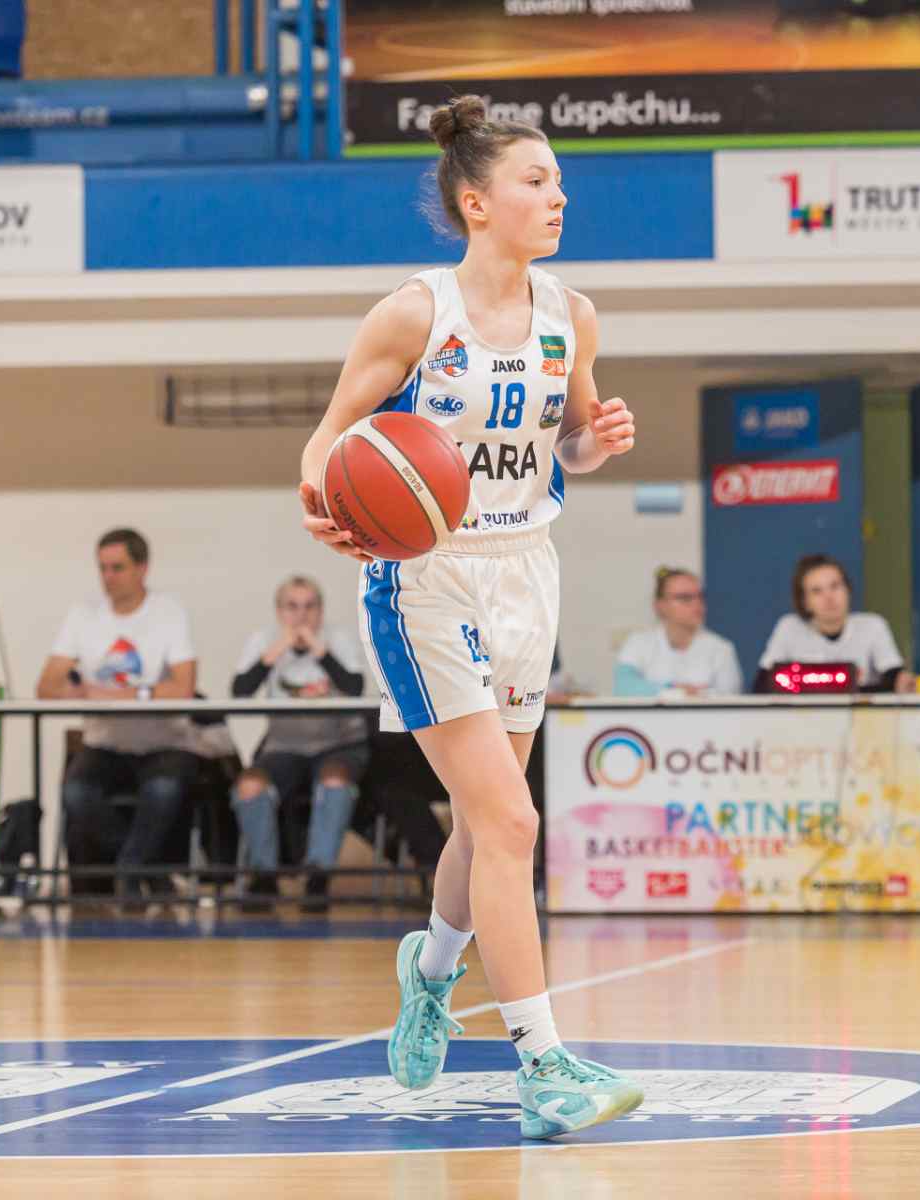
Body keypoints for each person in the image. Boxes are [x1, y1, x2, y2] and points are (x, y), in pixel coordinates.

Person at [295, 95, 642, 1138]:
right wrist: (323, 503)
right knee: (512, 824)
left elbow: (567, 441)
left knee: (487, 821)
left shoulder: (572, 314)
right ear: (476, 202)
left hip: (526, 570)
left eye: (560, 183)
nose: (559, 198)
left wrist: (596, 442)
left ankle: (431, 971)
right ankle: (543, 1065)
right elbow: (328, 440)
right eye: (537, 181)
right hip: (427, 578)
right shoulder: (414, 314)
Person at [36, 528, 201, 909]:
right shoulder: (83, 616)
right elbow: (46, 686)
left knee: (164, 789)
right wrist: (74, 691)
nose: (108, 577)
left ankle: (128, 871)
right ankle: (146, 871)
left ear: (142, 568)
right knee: (76, 792)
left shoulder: (168, 612)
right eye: (103, 568)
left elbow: (183, 687)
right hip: (105, 743)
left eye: (117, 568)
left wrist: (120, 694)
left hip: (163, 742)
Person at [229, 575, 370, 913]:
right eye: (292, 607)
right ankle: (264, 875)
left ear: (321, 610)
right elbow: (240, 691)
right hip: (284, 746)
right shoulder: (264, 640)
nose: (301, 615)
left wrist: (319, 651)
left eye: (309, 606)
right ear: (279, 611)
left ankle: (318, 876)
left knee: (334, 781)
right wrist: (277, 650)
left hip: (338, 743)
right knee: (249, 785)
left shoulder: (338, 638)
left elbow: (354, 687)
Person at [755, 553, 911, 694]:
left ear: (848, 590)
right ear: (804, 602)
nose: (829, 597)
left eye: (835, 586)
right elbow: (762, 684)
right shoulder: (789, 627)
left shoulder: (873, 626)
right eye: (817, 591)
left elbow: (895, 679)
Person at [614, 566, 743, 696]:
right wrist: (674, 689)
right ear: (660, 605)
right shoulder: (638, 643)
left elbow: (730, 699)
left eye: (700, 596)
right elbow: (623, 687)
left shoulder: (721, 649)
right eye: (685, 598)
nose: (697, 604)